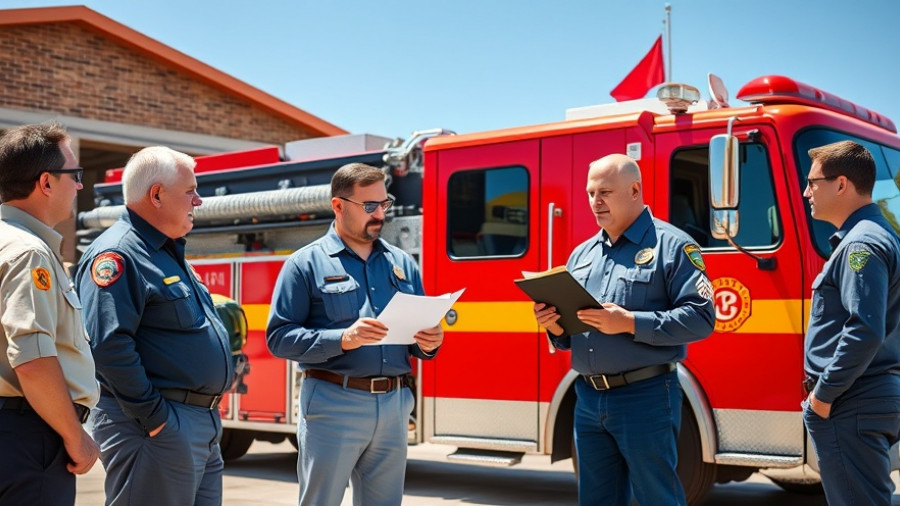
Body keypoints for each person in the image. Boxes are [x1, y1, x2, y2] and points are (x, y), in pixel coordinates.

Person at [532, 153, 715, 506]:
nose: (594, 202)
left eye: (605, 192)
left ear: (634, 190)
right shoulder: (581, 255)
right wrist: (554, 325)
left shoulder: (674, 246)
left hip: (645, 396)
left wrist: (629, 322)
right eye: (590, 193)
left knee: (657, 498)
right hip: (587, 398)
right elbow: (571, 335)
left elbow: (702, 318)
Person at [267, 162, 443, 506]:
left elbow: (417, 338)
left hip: (394, 406)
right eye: (369, 206)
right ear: (338, 205)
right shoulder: (305, 263)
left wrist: (429, 343)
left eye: (385, 204)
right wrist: (343, 339)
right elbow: (279, 337)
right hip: (334, 403)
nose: (380, 214)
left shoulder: (403, 263)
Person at [76, 146, 234, 506]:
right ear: (157, 195)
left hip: (197, 422)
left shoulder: (165, 252)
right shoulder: (118, 255)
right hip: (157, 427)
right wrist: (155, 419)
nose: (199, 200)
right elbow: (107, 346)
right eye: (190, 191)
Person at [0, 122, 100, 505]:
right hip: (29, 437)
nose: (79, 186)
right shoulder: (30, 253)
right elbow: (33, 359)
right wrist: (76, 438)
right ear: (45, 182)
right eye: (74, 175)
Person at [802, 140, 900, 505]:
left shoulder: (861, 245)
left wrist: (823, 396)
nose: (805, 192)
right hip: (863, 396)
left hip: (850, 400)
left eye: (813, 183)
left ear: (841, 184)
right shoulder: (876, 235)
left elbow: (865, 329)